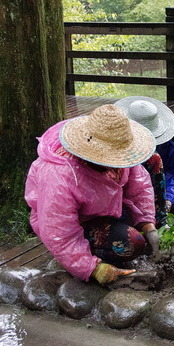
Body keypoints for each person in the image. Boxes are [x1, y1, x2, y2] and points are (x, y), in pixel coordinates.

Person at [25, 104, 161, 285]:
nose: (116, 163)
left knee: (154, 160)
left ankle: (156, 237)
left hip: (109, 207)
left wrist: (148, 225)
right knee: (131, 242)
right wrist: (92, 268)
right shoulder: (60, 176)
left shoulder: (120, 156)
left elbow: (139, 187)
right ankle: (91, 255)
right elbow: (57, 231)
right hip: (78, 223)